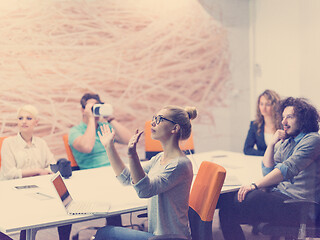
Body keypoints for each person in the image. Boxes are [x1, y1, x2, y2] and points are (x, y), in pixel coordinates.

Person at [219, 97, 320, 240]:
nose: (284, 122)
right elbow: (268, 171)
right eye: (283, 117)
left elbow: (286, 170)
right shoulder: (287, 141)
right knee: (227, 211)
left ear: (303, 119)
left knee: (249, 196)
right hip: (280, 197)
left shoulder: (313, 140)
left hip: (299, 204)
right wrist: (272, 144)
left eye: (289, 117)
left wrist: (254, 185)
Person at [94, 105, 197, 240]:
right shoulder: (160, 158)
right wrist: (109, 146)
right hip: (157, 235)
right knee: (106, 233)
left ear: (175, 128)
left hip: (170, 237)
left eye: (160, 119)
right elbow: (128, 178)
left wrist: (132, 155)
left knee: (105, 234)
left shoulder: (179, 165)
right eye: (154, 117)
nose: (153, 122)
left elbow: (144, 190)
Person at [0, 105, 71, 240]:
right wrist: (39, 171)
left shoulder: (41, 143)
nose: (24, 121)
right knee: (28, 216)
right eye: (20, 118)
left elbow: (51, 165)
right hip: (14, 190)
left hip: (38, 188)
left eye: (28, 118)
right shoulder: (8, 143)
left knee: (64, 205)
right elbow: (10, 173)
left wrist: (47, 171)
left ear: (36, 122)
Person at [68, 93, 132, 226]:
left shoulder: (105, 127)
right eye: (91, 107)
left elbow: (129, 140)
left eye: (97, 107)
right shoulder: (75, 131)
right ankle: (115, 232)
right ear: (82, 110)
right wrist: (91, 119)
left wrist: (110, 119)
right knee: (114, 197)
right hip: (94, 177)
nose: (94, 110)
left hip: (114, 172)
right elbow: (87, 146)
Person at [243, 89, 281, 156]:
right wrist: (267, 155)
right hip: (262, 161)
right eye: (261, 104)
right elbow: (247, 149)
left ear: (275, 106)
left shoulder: (283, 124)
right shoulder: (255, 125)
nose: (263, 108)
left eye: (268, 104)